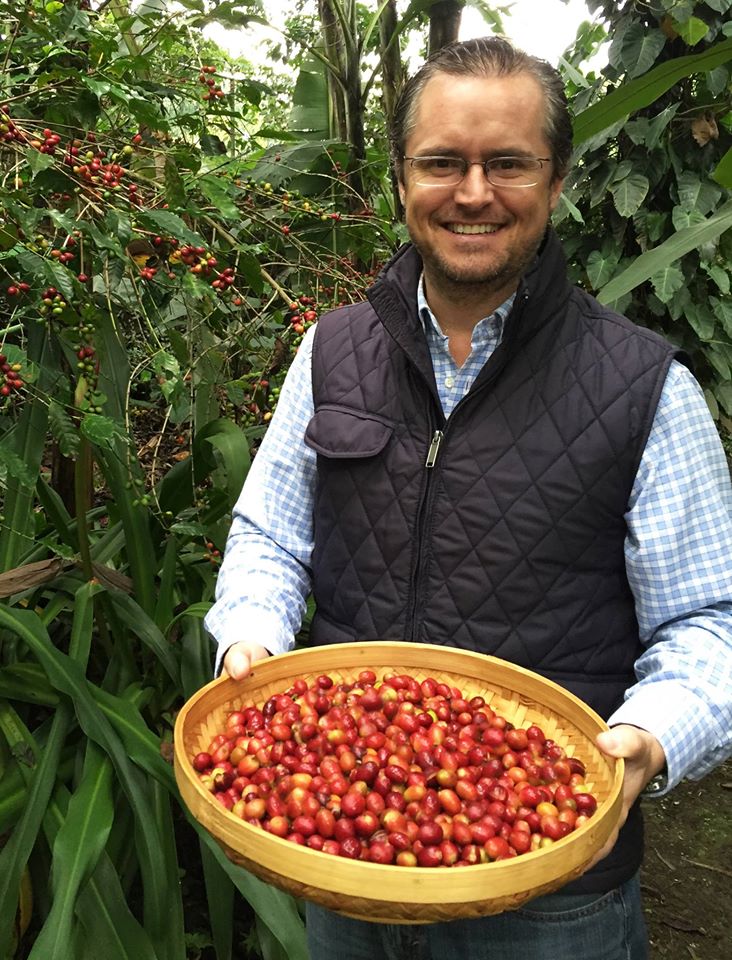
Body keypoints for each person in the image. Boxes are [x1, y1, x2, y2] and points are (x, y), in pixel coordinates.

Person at [204, 36, 732, 960]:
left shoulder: (648, 388)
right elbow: (271, 538)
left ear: (557, 179)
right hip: (346, 853)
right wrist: (250, 633)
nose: (474, 192)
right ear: (402, 178)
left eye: (510, 164)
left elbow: (711, 622)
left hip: (549, 887)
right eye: (443, 162)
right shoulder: (331, 353)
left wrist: (645, 741)